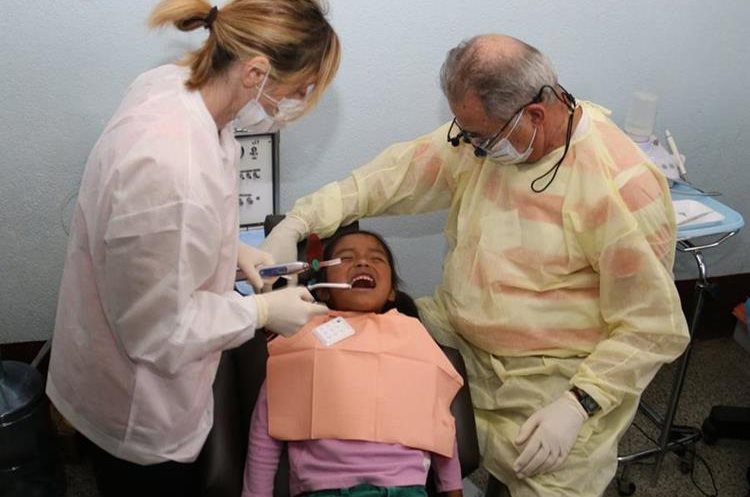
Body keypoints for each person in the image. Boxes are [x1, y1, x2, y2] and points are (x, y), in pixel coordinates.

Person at [261, 34, 690, 497]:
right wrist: (298, 221)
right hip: (455, 337)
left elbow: (649, 328)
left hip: (553, 381)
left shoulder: (622, 188)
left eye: (482, 138)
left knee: (544, 477)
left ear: (536, 114)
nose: (472, 148)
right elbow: (388, 178)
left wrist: (579, 404)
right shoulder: (479, 135)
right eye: (465, 134)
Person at [45, 1, 339, 496]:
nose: (298, 100)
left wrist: (235, 252)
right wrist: (263, 311)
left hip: (120, 344)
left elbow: (174, 238)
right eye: (301, 88)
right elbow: (158, 332)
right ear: (256, 71)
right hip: (136, 405)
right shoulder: (170, 168)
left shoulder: (174, 88)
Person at [243, 230, 464, 497]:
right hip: (324, 490)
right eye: (346, 258)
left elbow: (439, 423)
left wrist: (453, 490)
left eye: (376, 258)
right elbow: (266, 425)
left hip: (405, 489)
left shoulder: (415, 338)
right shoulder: (302, 339)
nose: (362, 262)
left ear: (392, 290)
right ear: (323, 290)